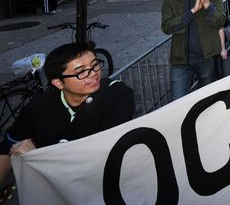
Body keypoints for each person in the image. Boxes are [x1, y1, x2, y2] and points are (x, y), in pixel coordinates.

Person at [0, 42, 134, 184]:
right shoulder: (39, 106)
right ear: (58, 83)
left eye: (95, 65)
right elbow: (7, 146)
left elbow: (103, 154)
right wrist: (22, 150)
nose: (93, 74)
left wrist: (39, 157)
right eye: (81, 72)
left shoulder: (117, 95)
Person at [161, 0, 227, 101]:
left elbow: (221, 21)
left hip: (206, 58)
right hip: (180, 60)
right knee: (177, 104)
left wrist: (208, 5)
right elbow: (166, 27)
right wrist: (192, 11)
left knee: (209, 101)